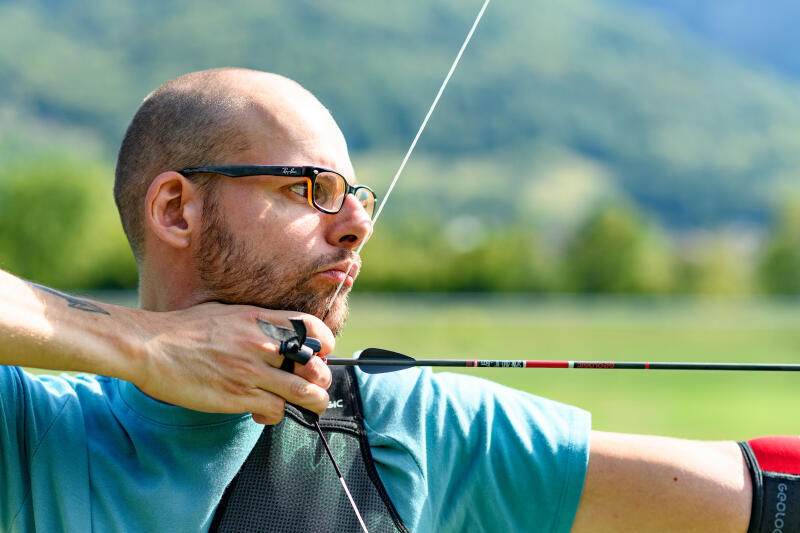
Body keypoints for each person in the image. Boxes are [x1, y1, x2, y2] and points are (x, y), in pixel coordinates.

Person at [0, 67, 795, 533]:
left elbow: (760, 491)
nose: (357, 225)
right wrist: (146, 345)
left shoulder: (407, 427)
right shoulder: (32, 428)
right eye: (312, 188)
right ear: (176, 209)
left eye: (361, 197)